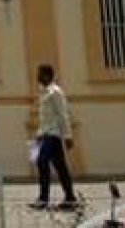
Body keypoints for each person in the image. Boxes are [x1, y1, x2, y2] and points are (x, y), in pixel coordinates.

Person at [30, 63, 78, 211]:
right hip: (46, 134)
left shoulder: (55, 92)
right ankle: (70, 197)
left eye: (39, 74)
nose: (37, 77)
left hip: (53, 134)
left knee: (42, 161)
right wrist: (38, 134)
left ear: (46, 75)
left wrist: (68, 135)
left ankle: (43, 198)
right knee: (60, 166)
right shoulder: (44, 93)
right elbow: (45, 118)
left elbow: (62, 114)